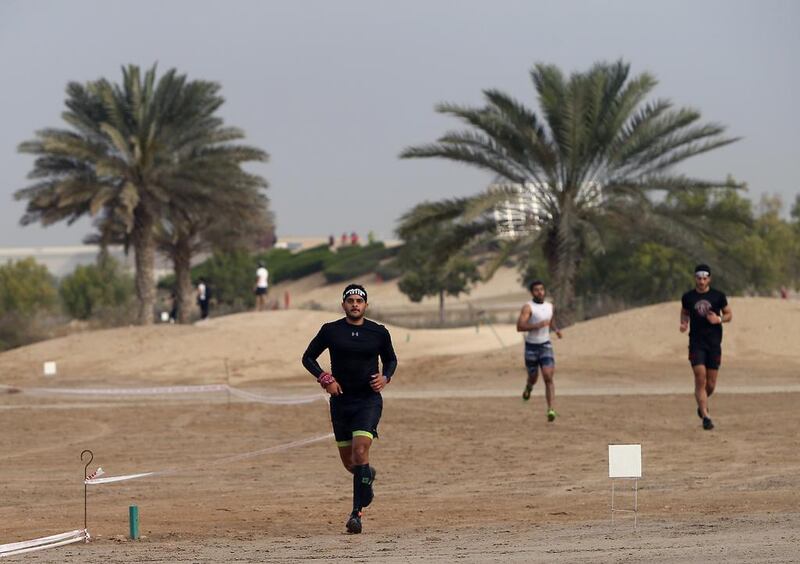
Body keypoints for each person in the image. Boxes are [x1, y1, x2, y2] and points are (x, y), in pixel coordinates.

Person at [301, 284, 397, 534]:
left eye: (359, 301)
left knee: (361, 449)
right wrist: (325, 378)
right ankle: (366, 476)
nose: (355, 304)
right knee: (351, 463)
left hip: (368, 400)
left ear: (366, 305)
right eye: (350, 300)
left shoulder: (378, 332)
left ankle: (356, 514)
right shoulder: (331, 331)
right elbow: (308, 357)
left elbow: (391, 359)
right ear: (343, 304)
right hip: (341, 402)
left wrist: (385, 377)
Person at [680, 264, 732, 430]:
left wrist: (719, 319)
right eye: (699, 278)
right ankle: (706, 417)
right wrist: (683, 322)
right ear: (695, 278)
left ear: (709, 279)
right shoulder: (688, 297)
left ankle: (701, 405)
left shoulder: (718, 296)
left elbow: (729, 314)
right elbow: (685, 311)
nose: (701, 281)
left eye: (704, 278)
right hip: (696, 343)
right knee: (700, 377)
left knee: (710, 384)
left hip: (714, 344)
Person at [516, 280, 562, 421]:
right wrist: (537, 325)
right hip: (531, 347)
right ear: (532, 292)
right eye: (536, 290)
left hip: (545, 345)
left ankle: (551, 409)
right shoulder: (528, 308)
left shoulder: (550, 306)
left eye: (542, 289)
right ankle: (529, 387)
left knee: (548, 376)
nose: (540, 292)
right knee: (533, 377)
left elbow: (550, 320)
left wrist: (556, 330)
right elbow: (520, 327)